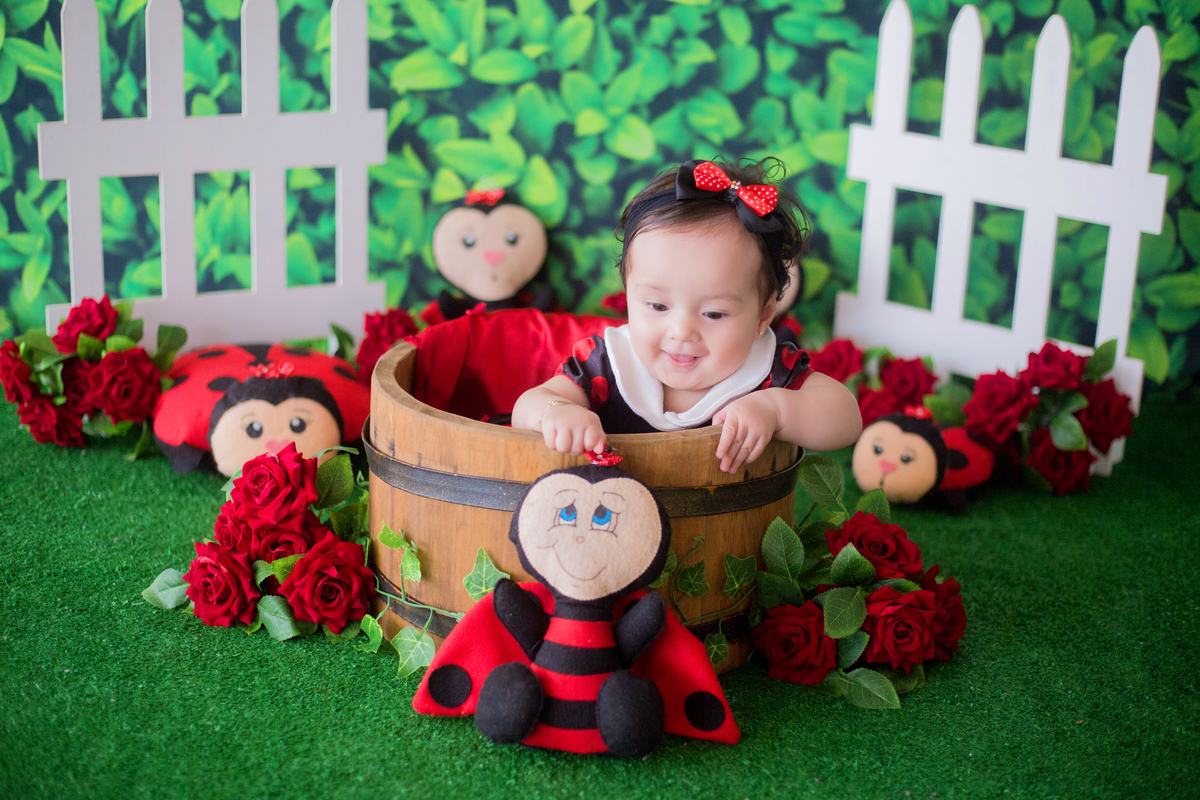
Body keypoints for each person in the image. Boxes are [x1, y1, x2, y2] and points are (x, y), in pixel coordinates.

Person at [512, 159, 862, 474]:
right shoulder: (608, 365)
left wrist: (776, 410)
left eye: (713, 313)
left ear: (763, 317)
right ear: (629, 296)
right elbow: (528, 405)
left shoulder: (767, 372)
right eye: (658, 307)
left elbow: (846, 417)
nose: (681, 331)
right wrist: (555, 412)